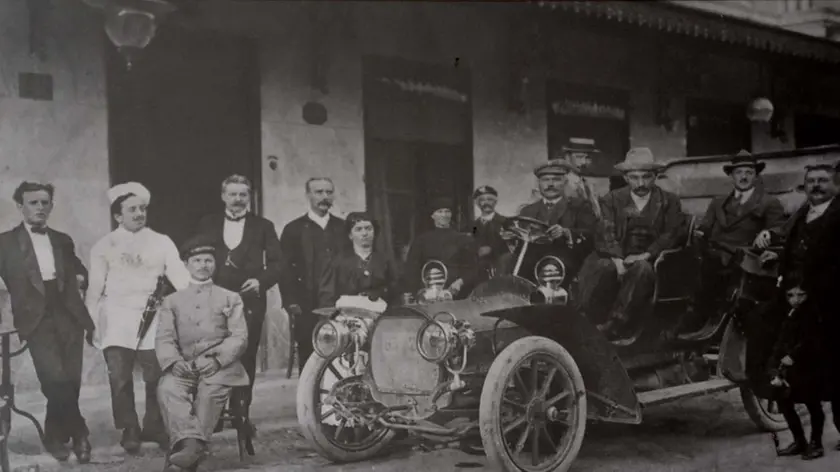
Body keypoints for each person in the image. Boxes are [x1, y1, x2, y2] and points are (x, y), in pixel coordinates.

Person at [85, 182, 191, 453]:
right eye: (131, 209)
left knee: (156, 376)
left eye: (142, 208)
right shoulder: (103, 246)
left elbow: (180, 277)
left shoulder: (161, 241)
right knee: (119, 378)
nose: (139, 213)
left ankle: (154, 425)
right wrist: (91, 322)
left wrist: (197, 301)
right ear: (118, 216)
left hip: (151, 316)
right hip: (116, 318)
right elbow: (95, 288)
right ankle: (129, 428)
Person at [0, 182, 95, 463]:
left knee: (71, 379)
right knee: (54, 377)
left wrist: (81, 276)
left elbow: (78, 267)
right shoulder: (4, 243)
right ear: (20, 207)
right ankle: (80, 433)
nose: (40, 208)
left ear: (51, 206)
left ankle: (54, 436)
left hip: (68, 313)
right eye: (33, 203)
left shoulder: (62, 239)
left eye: (45, 203)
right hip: (35, 317)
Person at [755, 162, 840, 453]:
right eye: (811, 181)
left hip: (831, 304)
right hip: (797, 301)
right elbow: (788, 240)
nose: (816, 185)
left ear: (835, 185)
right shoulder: (803, 212)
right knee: (796, 373)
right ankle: (802, 441)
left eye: (823, 180)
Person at [156, 234, 248, 472]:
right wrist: (174, 362)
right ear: (186, 265)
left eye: (208, 260)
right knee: (168, 388)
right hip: (185, 365)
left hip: (222, 367)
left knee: (210, 392)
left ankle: (189, 452)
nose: (203, 265)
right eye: (196, 260)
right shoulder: (172, 301)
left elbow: (239, 336)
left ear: (214, 264)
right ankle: (195, 447)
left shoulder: (230, 297)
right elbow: (164, 338)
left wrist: (218, 360)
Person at [196, 174, 281, 431]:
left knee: (245, 354)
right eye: (232, 194)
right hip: (215, 300)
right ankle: (215, 413)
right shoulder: (207, 223)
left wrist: (261, 281)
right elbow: (196, 257)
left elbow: (279, 263)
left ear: (249, 197)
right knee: (213, 352)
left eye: (243, 194)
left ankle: (241, 412)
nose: (237, 199)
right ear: (223, 196)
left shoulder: (263, 226)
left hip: (250, 300)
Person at [576, 148, 685, 338]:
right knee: (601, 267)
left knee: (641, 269)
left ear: (655, 176)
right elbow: (606, 231)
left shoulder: (669, 201)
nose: (641, 183)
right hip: (617, 254)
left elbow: (671, 234)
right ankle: (586, 319)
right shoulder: (612, 199)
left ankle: (617, 324)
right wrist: (618, 261)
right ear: (626, 177)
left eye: (646, 177)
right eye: (634, 177)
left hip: (652, 260)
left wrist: (647, 254)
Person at [688, 150, 785, 331]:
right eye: (739, 172)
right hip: (714, 254)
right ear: (731, 176)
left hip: (743, 257)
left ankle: (701, 316)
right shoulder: (718, 202)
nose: (744, 176)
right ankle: (693, 318)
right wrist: (698, 234)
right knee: (688, 258)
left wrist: (768, 233)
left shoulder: (768, 202)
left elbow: (780, 227)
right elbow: (705, 228)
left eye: (749, 172)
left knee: (712, 266)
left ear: (756, 175)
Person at [279, 177, 346, 373]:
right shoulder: (294, 229)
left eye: (328, 192)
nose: (325, 197)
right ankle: (308, 401)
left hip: (340, 300)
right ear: (308, 195)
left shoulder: (343, 228)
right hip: (306, 302)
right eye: (319, 192)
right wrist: (290, 300)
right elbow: (284, 269)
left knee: (341, 350)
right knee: (309, 354)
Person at [765, 279, 826, 460]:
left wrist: (794, 355)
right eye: (791, 295)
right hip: (791, 368)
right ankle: (799, 441)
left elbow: (812, 340)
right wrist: (775, 363)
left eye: (801, 295)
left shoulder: (813, 314)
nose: (795, 299)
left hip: (809, 367)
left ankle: (816, 443)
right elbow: (782, 340)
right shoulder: (790, 314)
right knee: (784, 402)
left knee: (813, 404)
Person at [516, 158, 599, 277]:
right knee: (506, 260)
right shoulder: (527, 210)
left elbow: (591, 233)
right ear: (538, 184)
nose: (550, 184)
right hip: (532, 257)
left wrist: (566, 233)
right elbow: (521, 239)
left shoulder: (580, 206)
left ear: (565, 183)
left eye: (556, 180)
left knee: (552, 264)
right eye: (545, 180)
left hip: (567, 257)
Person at [318, 212, 399, 309]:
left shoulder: (385, 261)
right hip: (346, 318)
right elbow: (327, 298)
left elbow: (395, 294)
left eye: (368, 228)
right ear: (350, 235)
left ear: (374, 232)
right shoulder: (337, 263)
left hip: (379, 317)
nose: (364, 233)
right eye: (358, 229)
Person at [403, 197, 478, 299]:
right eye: (440, 211)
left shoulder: (463, 239)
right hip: (428, 292)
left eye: (447, 211)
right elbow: (412, 268)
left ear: (451, 215)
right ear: (432, 215)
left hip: (456, 292)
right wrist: (419, 291)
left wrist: (460, 282)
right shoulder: (422, 240)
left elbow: (473, 268)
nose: (444, 215)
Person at [468, 186, 507, 281]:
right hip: (478, 272)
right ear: (477, 204)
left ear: (495, 202)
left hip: (500, 270)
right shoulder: (473, 225)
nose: (486, 203)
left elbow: (509, 248)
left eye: (490, 199)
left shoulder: (505, 222)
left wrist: (492, 249)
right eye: (482, 200)